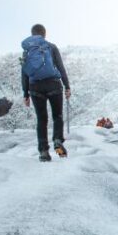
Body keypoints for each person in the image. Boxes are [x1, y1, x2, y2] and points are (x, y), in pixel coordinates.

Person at [21, 24, 71, 162]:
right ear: (44, 34)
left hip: (35, 87)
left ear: (32, 34)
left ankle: (43, 152)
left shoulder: (27, 51)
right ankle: (57, 140)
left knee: (41, 120)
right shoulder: (51, 47)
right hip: (53, 84)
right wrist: (67, 86)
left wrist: (26, 94)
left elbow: (24, 73)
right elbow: (60, 67)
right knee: (57, 115)